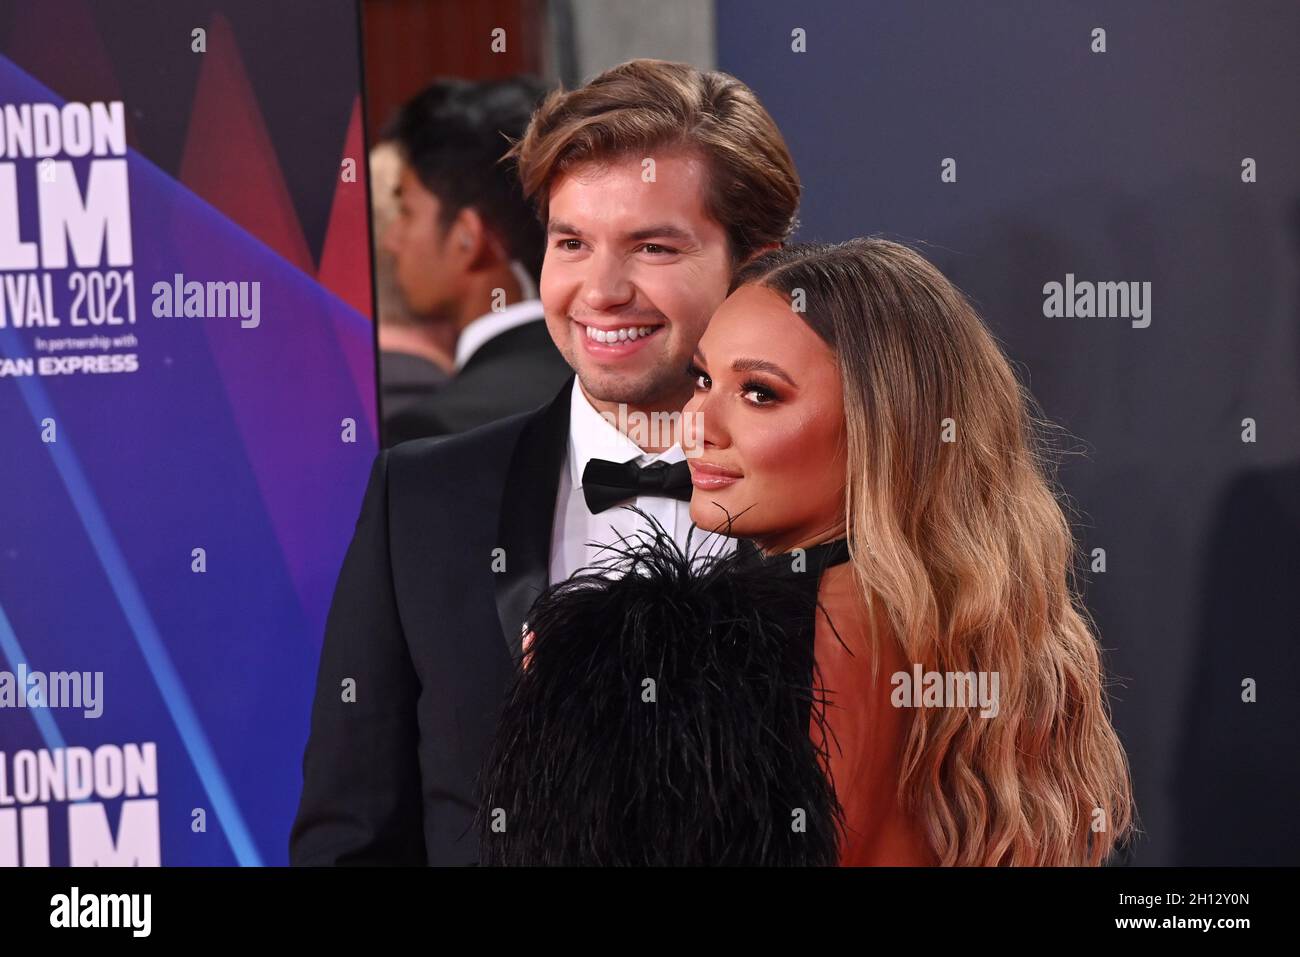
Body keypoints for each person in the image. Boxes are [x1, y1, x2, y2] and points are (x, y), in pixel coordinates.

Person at [476, 239, 1136, 866]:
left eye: (760, 393)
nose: (697, 425)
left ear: (884, 431)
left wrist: (573, 706)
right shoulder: (999, 640)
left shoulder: (714, 647)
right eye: (703, 379)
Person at [289, 59, 801, 865]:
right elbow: (351, 839)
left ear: (757, 268)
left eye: (654, 247)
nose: (600, 290)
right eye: (572, 242)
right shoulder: (421, 500)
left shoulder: (850, 506)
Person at [378, 76, 571, 445]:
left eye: (406, 211)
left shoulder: (436, 431)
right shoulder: (620, 390)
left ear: (467, 237)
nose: (392, 241)